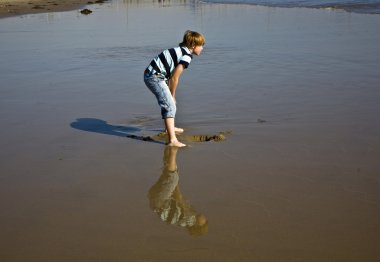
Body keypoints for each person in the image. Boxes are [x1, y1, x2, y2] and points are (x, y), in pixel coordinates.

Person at [144, 30, 205, 147]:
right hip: (154, 77)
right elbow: (174, 78)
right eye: (201, 45)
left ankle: (169, 128)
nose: (202, 48)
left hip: (154, 75)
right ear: (193, 45)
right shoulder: (187, 56)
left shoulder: (180, 50)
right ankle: (172, 140)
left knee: (169, 103)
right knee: (170, 104)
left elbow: (170, 75)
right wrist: (173, 94)